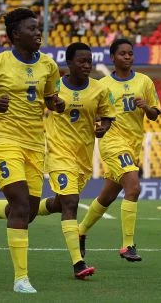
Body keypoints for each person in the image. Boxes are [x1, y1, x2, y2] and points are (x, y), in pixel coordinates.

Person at [0, 8, 64, 294]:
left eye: (39, 28)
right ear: (15, 34)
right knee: (19, 207)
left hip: (35, 144)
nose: (38, 33)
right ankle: (21, 278)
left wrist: (57, 105)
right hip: (5, 140)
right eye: (32, 29)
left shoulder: (49, 65)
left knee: (28, 212)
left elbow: (50, 98)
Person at [31, 42, 116, 279]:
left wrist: (103, 128)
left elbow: (108, 116)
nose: (87, 65)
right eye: (82, 61)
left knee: (60, 204)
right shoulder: (55, 86)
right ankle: (78, 263)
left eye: (89, 61)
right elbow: (45, 102)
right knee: (71, 202)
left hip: (83, 158)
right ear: (69, 63)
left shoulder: (99, 89)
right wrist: (52, 104)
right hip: (59, 153)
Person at [77, 38, 161, 262]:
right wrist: (97, 125)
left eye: (130, 54)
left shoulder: (144, 82)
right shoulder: (102, 85)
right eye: (122, 54)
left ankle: (80, 231)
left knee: (108, 194)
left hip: (133, 145)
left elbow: (155, 113)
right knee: (133, 187)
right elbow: (92, 112)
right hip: (112, 142)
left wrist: (147, 108)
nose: (127, 57)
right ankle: (128, 245)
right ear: (112, 57)